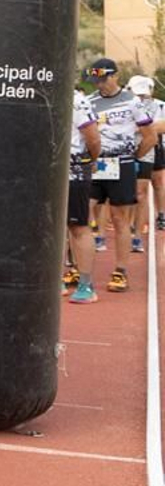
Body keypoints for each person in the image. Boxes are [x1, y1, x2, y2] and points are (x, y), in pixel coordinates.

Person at [87, 58, 154, 292]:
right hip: (95, 165)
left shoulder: (132, 102)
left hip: (121, 164)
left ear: (115, 76)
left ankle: (121, 270)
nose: (100, 84)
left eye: (103, 79)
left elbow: (150, 136)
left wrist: (134, 157)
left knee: (119, 219)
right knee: (81, 216)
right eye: (96, 80)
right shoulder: (89, 102)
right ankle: (78, 268)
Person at [66, 88, 102, 304]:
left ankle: (86, 284)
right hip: (43, 173)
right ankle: (56, 280)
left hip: (74, 173)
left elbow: (94, 139)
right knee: (51, 227)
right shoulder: (37, 90)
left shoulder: (77, 100)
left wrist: (90, 160)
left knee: (78, 226)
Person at [126, 75, 160, 244]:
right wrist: (143, 127)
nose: (141, 97)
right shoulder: (123, 104)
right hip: (121, 153)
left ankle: (137, 236)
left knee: (140, 194)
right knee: (123, 196)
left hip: (145, 152)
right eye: (137, 93)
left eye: (143, 94)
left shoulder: (155, 106)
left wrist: (138, 128)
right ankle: (124, 231)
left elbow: (159, 128)